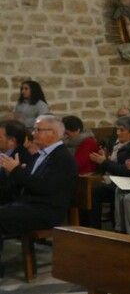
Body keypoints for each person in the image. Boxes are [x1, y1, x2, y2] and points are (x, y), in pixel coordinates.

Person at [0, 115, 77, 274]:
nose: (33, 133)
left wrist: (16, 171)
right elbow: (29, 182)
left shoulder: (63, 158)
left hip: (47, 211)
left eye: (37, 130)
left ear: (52, 133)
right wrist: (14, 173)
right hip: (31, 206)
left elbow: (44, 187)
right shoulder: (42, 155)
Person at [86, 116, 130, 228]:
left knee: (94, 192)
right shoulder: (118, 144)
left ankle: (95, 229)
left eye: (122, 130)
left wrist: (104, 162)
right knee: (86, 187)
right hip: (114, 180)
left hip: (127, 183)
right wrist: (104, 159)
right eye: (117, 129)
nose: (118, 133)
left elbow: (127, 171)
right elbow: (111, 165)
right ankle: (86, 227)